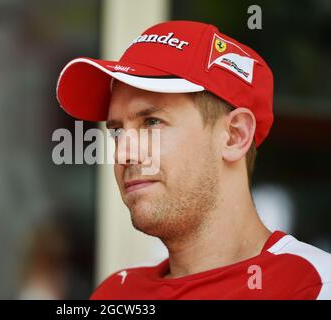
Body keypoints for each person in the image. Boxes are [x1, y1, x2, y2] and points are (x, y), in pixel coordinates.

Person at [55, 20, 331, 299]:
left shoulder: (311, 285)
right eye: (116, 131)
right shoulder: (115, 294)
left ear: (234, 136)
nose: (123, 153)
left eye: (151, 122)